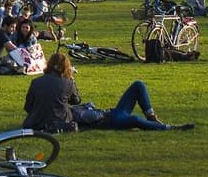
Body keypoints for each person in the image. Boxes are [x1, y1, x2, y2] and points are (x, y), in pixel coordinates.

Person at [23, 51, 192, 132]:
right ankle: (165, 127)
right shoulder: (67, 83)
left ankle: (152, 117)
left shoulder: (36, 82)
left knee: (138, 86)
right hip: (109, 119)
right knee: (134, 117)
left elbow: (28, 107)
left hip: (108, 114)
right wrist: (72, 81)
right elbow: (76, 100)